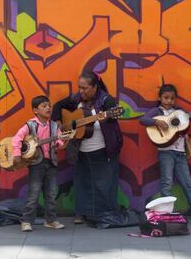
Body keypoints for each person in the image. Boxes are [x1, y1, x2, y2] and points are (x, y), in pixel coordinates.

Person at [52, 71, 132, 228]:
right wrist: (60, 123)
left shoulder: (106, 100)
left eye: (85, 88)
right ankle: (81, 214)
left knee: (104, 184)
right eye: (79, 87)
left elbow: (114, 117)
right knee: (82, 183)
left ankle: (103, 215)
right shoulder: (76, 99)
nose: (81, 91)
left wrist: (108, 115)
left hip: (103, 149)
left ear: (95, 87)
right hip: (80, 150)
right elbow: (58, 106)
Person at [139, 84, 191, 220]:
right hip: (165, 152)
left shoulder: (179, 111)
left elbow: (190, 118)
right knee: (167, 182)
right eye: (166, 98)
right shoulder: (157, 111)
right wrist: (157, 122)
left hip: (180, 152)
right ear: (160, 98)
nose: (169, 101)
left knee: (188, 183)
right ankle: (165, 213)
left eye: (172, 98)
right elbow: (143, 120)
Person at [12, 95, 66, 232]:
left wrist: (60, 144)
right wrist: (17, 154)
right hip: (36, 164)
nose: (48, 108)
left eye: (49, 106)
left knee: (51, 194)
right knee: (33, 194)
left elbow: (59, 141)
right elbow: (17, 138)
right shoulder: (30, 125)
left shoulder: (54, 126)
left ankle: (51, 220)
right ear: (36, 110)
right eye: (44, 106)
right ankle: (26, 221)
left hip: (51, 163)